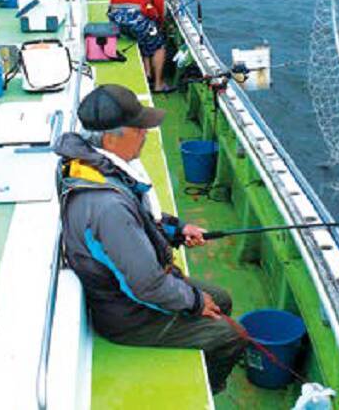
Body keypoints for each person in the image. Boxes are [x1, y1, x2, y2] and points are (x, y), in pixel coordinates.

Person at [56, 84, 246, 394]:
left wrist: (177, 229)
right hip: (127, 314)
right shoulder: (108, 208)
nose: (146, 133)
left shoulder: (98, 168)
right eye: (139, 128)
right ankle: (208, 387)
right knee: (231, 336)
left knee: (222, 299)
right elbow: (146, 286)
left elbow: (140, 222)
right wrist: (196, 302)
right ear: (111, 137)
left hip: (131, 288)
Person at [108, 0, 172, 93]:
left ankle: (148, 73)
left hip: (114, 18)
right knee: (158, 44)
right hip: (134, 18)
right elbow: (158, 1)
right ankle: (159, 84)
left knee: (142, 35)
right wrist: (160, 22)